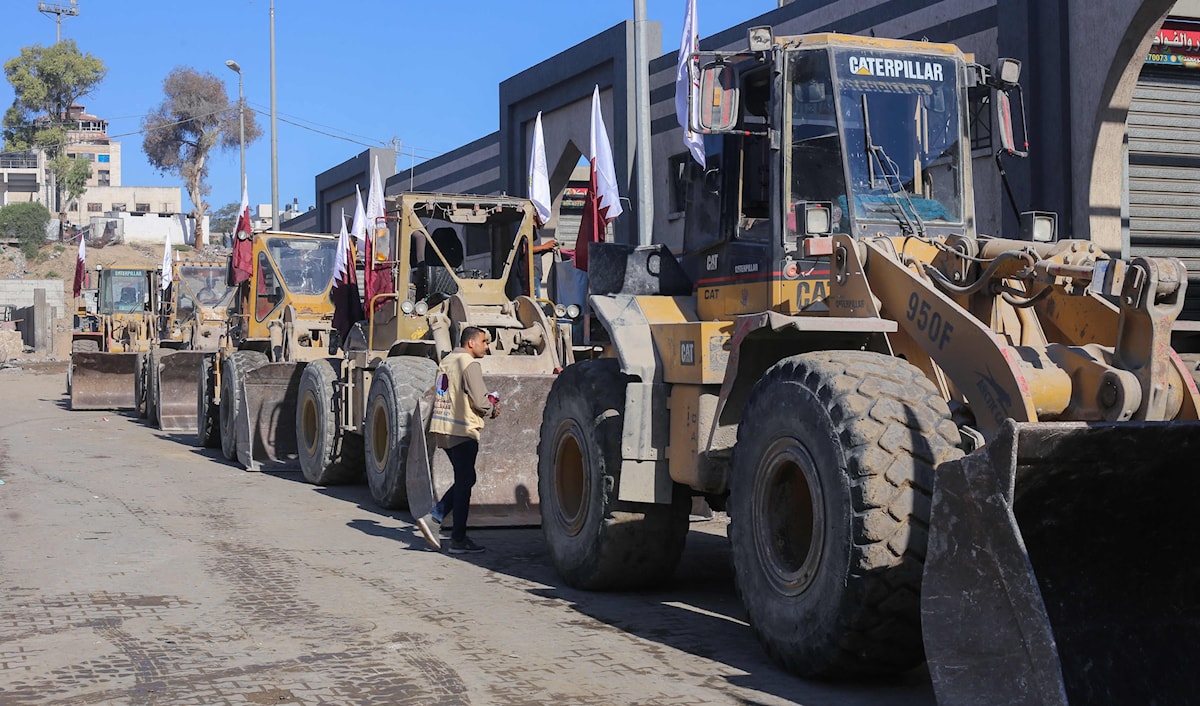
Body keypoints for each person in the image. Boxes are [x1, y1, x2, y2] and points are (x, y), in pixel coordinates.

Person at [415, 326, 499, 554]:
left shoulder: (448, 361)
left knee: (465, 479)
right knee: (465, 481)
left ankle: (442, 523)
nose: (487, 346)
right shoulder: (469, 364)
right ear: (471, 343)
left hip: (443, 428)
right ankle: (449, 531)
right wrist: (492, 407)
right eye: (484, 341)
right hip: (462, 430)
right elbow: (480, 402)